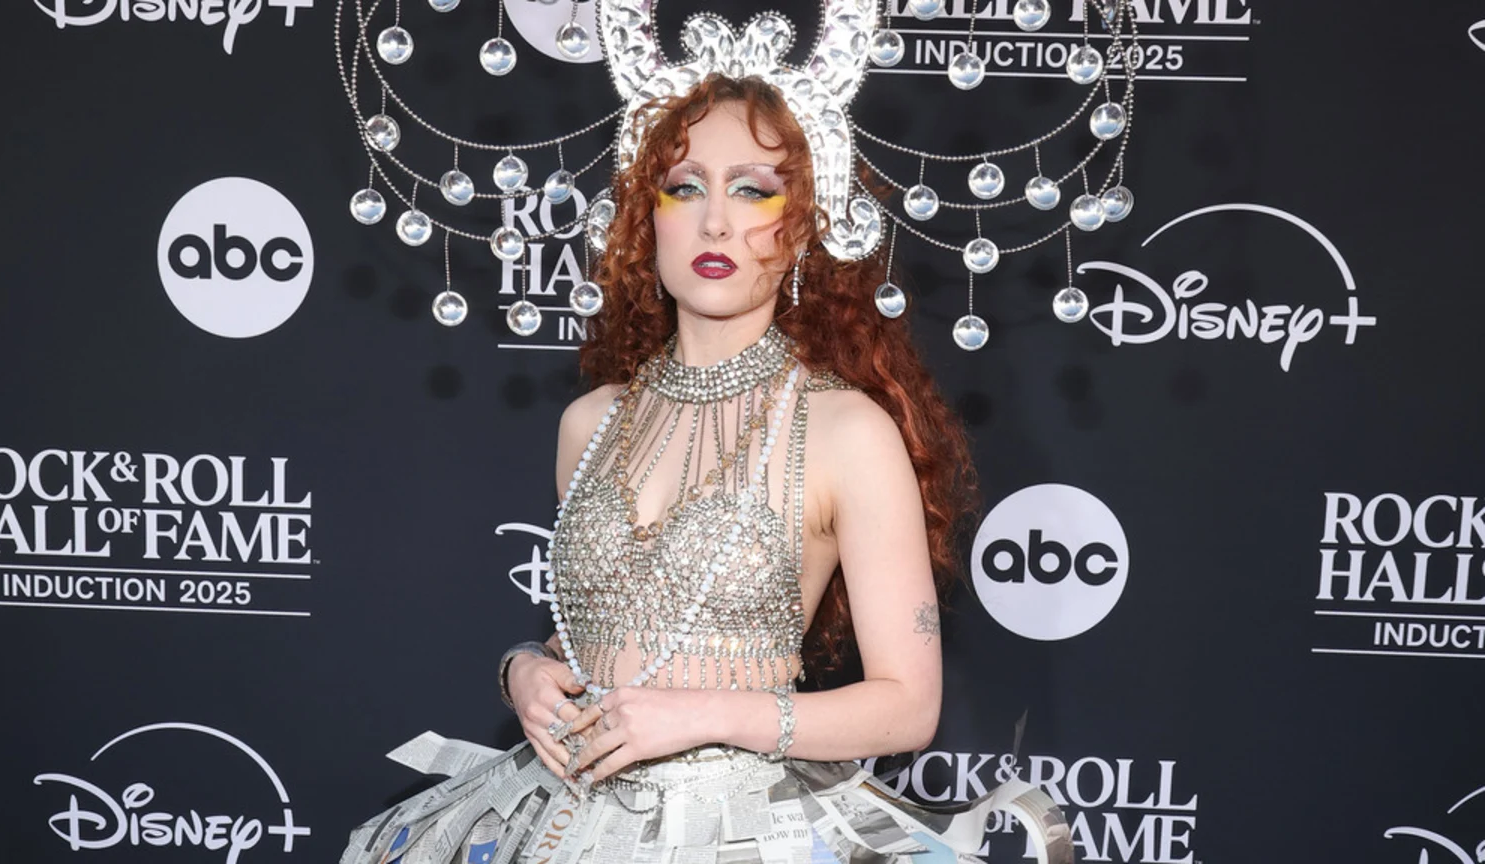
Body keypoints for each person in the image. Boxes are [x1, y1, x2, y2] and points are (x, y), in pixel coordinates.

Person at [341, 75, 1071, 864]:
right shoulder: (589, 423)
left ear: (799, 229)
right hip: (560, 820)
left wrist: (708, 715)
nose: (715, 220)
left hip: (743, 834)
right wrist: (522, 672)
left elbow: (908, 707)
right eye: (684, 188)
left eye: (753, 192)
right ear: (645, 219)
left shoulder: (846, 431)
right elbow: (605, 639)